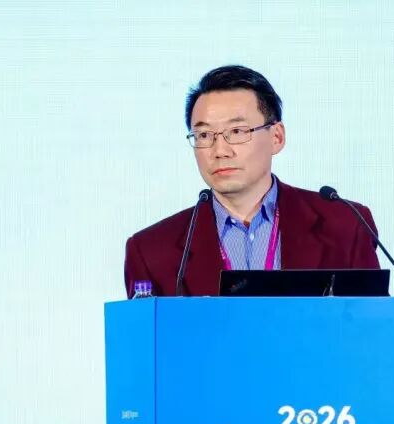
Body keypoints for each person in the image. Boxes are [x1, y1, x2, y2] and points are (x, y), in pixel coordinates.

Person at [123, 65, 380, 297]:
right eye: (204, 135)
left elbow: (374, 326)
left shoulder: (346, 225)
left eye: (237, 131)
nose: (220, 151)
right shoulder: (151, 252)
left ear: (276, 137)